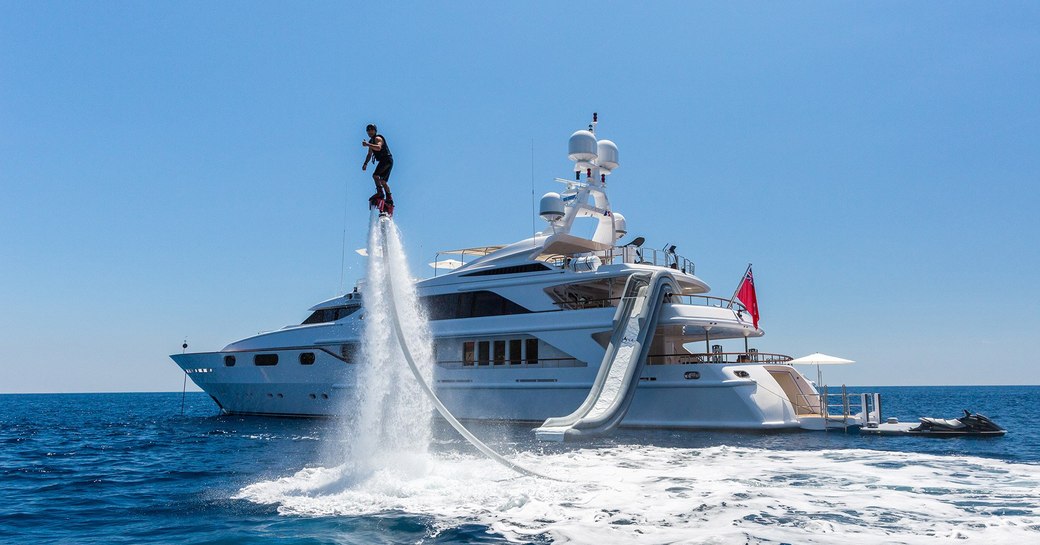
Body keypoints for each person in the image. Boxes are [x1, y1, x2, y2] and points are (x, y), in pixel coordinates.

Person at [362, 124, 393, 212]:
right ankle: (389, 199)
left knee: (375, 175)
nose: (370, 132)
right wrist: (365, 164)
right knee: (383, 181)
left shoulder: (378, 138)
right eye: (368, 130)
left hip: (386, 159)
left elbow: (379, 147)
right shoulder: (371, 141)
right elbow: (369, 154)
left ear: (375, 131)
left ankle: (380, 193)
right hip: (386, 161)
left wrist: (368, 144)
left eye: (371, 130)